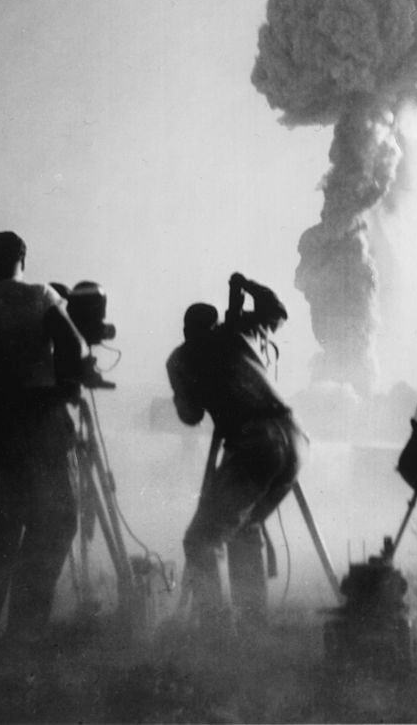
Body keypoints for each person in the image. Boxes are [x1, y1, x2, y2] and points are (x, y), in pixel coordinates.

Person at [0, 231, 87, 643]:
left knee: (5, 531)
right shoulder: (40, 296)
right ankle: (24, 633)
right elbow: (74, 345)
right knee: (56, 523)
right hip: (42, 423)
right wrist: (67, 389)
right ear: (24, 258)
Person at [166, 272, 305, 635]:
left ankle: (215, 632)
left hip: (254, 442)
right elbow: (276, 309)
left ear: (186, 330)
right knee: (245, 529)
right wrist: (246, 285)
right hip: (292, 438)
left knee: (201, 540)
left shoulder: (183, 357)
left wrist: (190, 387)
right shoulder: (240, 332)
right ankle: (252, 628)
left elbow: (190, 416)